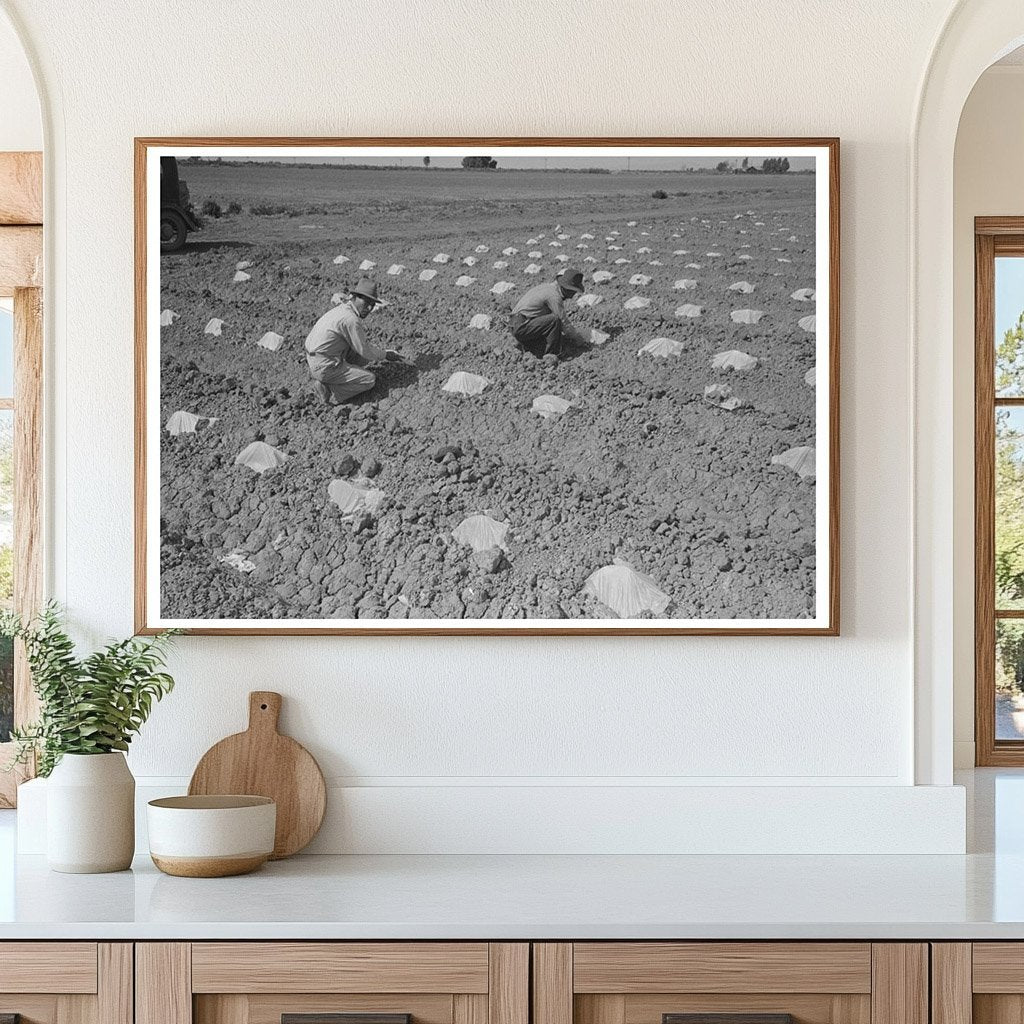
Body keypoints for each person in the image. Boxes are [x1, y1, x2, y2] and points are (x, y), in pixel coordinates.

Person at [304, 279, 390, 404]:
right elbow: (364, 350)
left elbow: (360, 350)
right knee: (369, 379)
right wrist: (386, 355)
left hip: (315, 358)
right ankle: (329, 390)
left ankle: (332, 377)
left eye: (372, 305)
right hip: (324, 365)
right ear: (354, 297)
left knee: (359, 355)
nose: (369, 308)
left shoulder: (342, 309)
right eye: (366, 302)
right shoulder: (351, 319)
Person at [509, 268, 585, 359]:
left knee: (551, 326)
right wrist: (578, 338)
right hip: (521, 327)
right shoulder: (554, 296)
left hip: (516, 323)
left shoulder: (546, 287)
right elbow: (563, 321)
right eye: (573, 292)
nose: (573, 296)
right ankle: (551, 355)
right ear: (566, 289)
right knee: (554, 320)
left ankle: (528, 345)